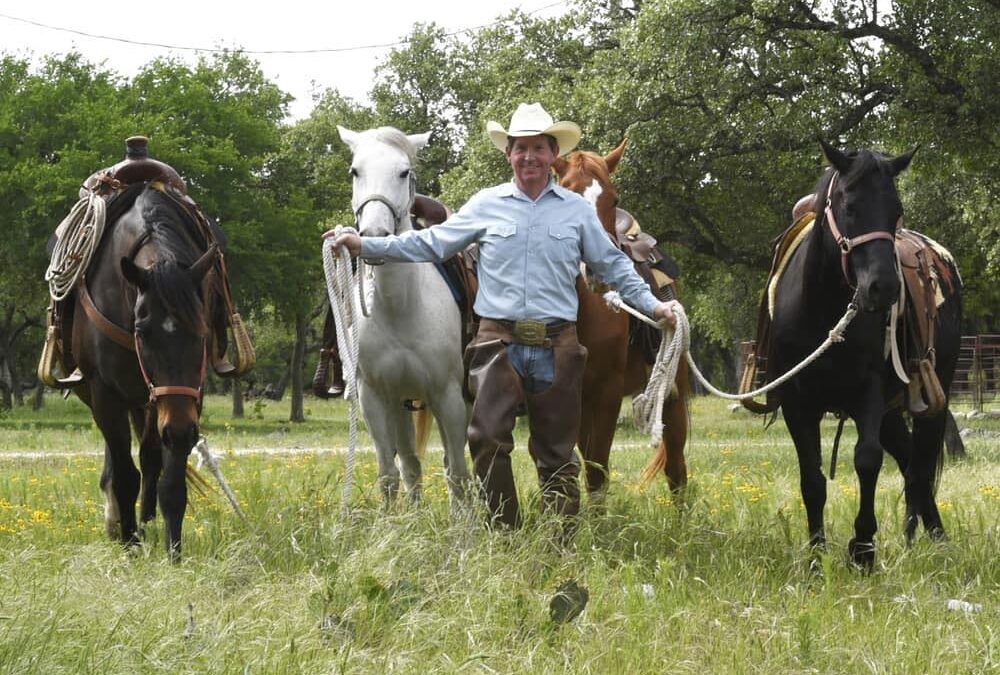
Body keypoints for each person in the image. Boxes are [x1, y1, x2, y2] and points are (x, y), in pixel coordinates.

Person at [325, 102, 680, 530]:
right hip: (498, 342)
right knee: (487, 439)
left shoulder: (576, 211)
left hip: (558, 343)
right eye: (520, 148)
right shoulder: (486, 204)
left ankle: (557, 538)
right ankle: (505, 534)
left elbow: (615, 267)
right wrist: (368, 245)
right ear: (508, 154)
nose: (528, 156)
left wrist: (655, 305)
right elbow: (430, 243)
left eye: (537, 148)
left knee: (557, 450)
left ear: (553, 155)